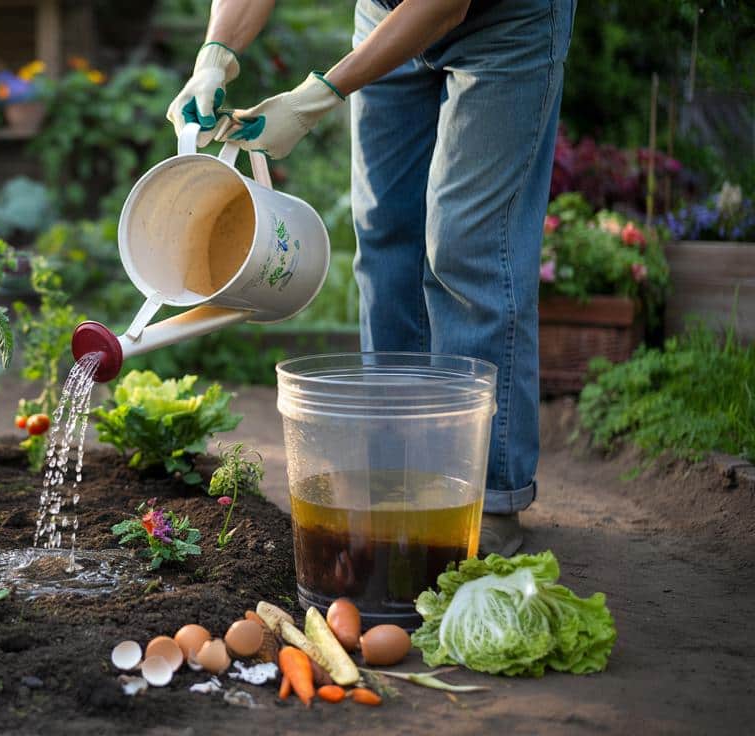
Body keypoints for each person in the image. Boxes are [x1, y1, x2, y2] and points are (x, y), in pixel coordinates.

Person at [168, 0, 576, 556]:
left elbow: (443, 7)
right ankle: (396, 477)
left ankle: (487, 498)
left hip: (506, 20)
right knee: (383, 229)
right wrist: (213, 60)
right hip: (387, 14)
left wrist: (313, 100)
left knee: (466, 245)